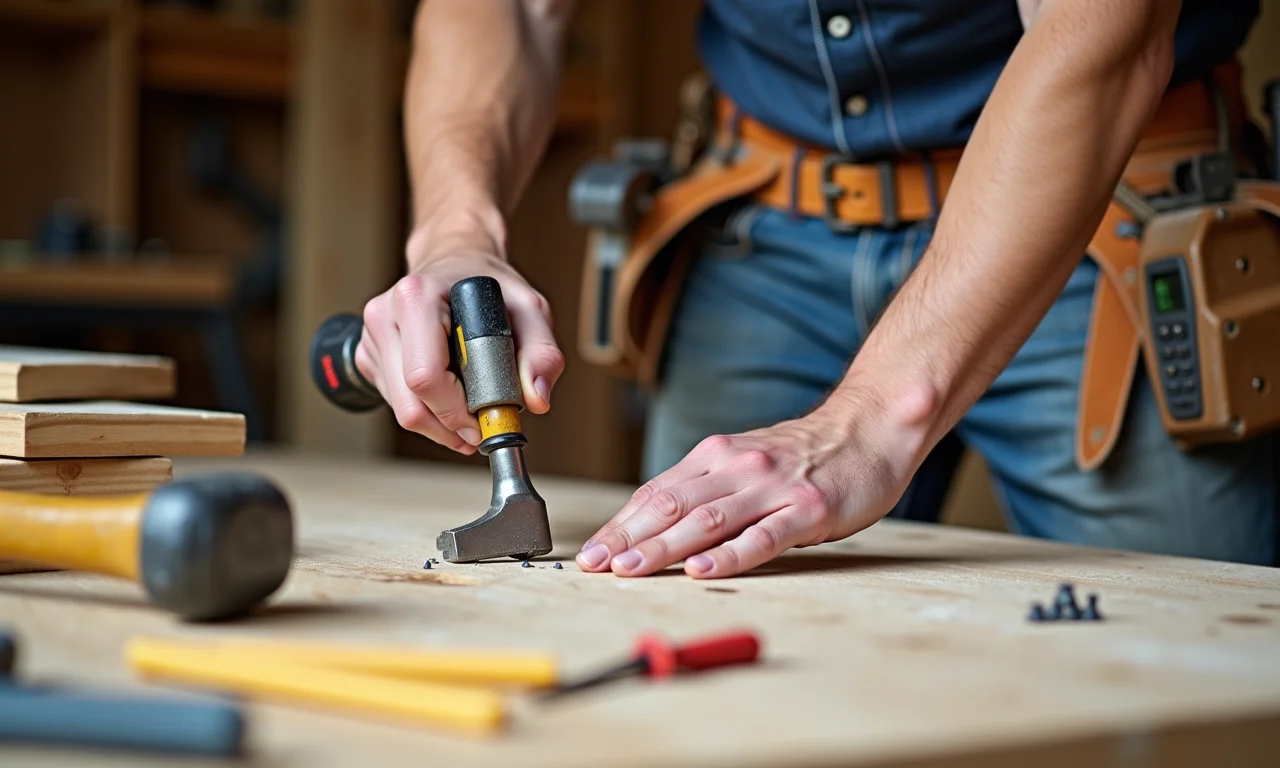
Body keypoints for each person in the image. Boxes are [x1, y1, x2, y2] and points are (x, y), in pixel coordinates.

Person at [355, 0, 1277, 579]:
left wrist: (873, 418)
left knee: (1180, 638)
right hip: (769, 223)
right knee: (683, 624)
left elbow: (1101, 33)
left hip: (1094, 202)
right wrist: (456, 232)